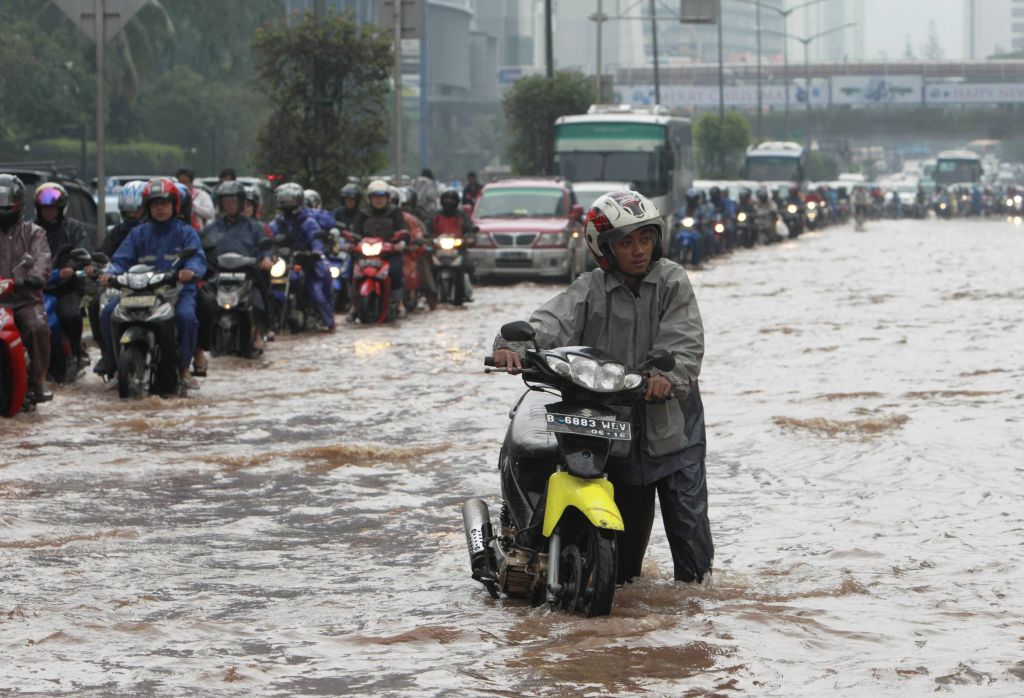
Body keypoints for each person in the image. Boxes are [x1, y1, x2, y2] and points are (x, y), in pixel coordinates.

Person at [492, 190, 711, 584]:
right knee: (622, 568)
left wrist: (667, 377)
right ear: (604, 248)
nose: (639, 250)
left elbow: (685, 341)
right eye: (626, 242)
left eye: (645, 239)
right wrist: (515, 344)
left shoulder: (673, 280)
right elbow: (551, 321)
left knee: (693, 555)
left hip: (673, 429)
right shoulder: (590, 288)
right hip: (615, 428)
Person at [99, 177, 207, 390]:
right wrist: (109, 274)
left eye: (164, 203)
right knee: (107, 312)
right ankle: (112, 366)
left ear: (174, 205)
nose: (159, 208)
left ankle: (184, 369)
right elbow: (121, 259)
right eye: (155, 204)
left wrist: (190, 271)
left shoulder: (185, 232)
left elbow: (197, 258)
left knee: (186, 317)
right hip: (139, 290)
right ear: (147, 207)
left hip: (176, 290)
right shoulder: (138, 233)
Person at [198, 181, 274, 359]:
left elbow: (266, 248)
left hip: (247, 276)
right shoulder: (211, 228)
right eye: (226, 200)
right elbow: (201, 249)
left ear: (241, 202)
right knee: (205, 302)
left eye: (233, 200)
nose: (230, 204)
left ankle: (258, 334)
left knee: (257, 297)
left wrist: (266, 259)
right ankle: (202, 342)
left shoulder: (255, 227)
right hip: (218, 276)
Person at [0, 174, 53, 403]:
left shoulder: (34, 232)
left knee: (37, 327)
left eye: (7, 198)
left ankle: (39, 380)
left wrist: (32, 277)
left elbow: (42, 259)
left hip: (24, 300)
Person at [92, 180, 148, 376]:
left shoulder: (155, 231)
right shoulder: (118, 232)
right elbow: (107, 256)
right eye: (129, 211)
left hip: (156, 286)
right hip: (123, 285)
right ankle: (108, 353)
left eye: (137, 210)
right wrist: (99, 270)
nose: (133, 215)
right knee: (97, 306)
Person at [33, 182, 93, 367]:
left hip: (67, 286)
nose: (49, 212)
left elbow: (83, 250)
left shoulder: (73, 228)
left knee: (70, 315)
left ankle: (76, 348)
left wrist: (71, 268)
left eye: (53, 208)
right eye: (45, 208)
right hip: (36, 286)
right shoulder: (31, 229)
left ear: (61, 209)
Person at [268, 182, 334, 332]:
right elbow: (268, 236)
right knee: (268, 288)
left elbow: (316, 238)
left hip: (307, 262)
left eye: (290, 200)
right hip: (284, 262)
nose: (286, 203)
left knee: (317, 293)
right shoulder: (278, 222)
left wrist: (316, 251)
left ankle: (327, 322)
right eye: (284, 200)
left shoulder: (308, 220)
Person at [352, 179, 409, 319]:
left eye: (382, 197)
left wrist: (401, 242)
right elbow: (355, 233)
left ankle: (398, 302)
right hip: (365, 255)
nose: (378, 200)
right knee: (350, 272)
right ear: (369, 198)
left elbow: (404, 231)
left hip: (389, 253)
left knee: (396, 271)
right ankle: (354, 304)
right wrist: (351, 243)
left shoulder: (394, 212)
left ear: (387, 198)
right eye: (375, 197)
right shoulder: (363, 213)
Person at [431, 188, 475, 302]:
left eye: (451, 200)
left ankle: (463, 293)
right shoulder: (435, 216)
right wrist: (427, 238)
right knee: (427, 267)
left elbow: (469, 229)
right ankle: (428, 295)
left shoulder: (462, 216)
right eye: (446, 200)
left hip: (458, 249)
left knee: (468, 265)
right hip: (437, 249)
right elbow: (427, 229)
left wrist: (470, 238)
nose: (448, 202)